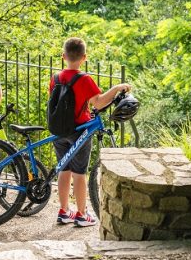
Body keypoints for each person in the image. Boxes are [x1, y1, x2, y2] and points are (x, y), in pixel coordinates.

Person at [50, 37, 131, 227]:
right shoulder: (84, 79)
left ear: (63, 56)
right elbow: (99, 102)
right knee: (79, 173)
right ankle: (81, 213)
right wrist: (118, 87)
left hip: (59, 131)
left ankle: (64, 211)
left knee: (64, 169)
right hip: (79, 131)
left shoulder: (55, 78)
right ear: (84, 57)